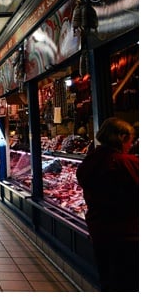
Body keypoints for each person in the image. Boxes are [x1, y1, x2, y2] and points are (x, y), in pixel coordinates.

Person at [76, 117, 139, 291]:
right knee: (129, 282)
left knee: (108, 279)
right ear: (122, 137)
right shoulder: (126, 162)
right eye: (131, 140)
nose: (131, 144)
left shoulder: (91, 159)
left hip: (99, 229)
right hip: (128, 233)